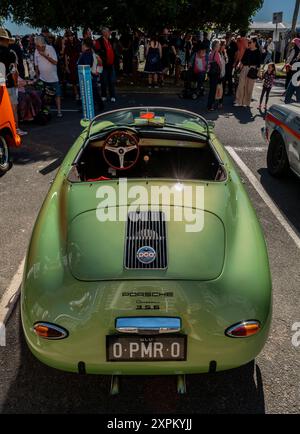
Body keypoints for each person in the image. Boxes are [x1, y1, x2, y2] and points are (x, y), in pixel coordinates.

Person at [0, 28, 27, 135]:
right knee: (13, 108)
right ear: (4, 40)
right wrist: (16, 83)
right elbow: (14, 71)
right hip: (9, 85)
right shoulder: (11, 53)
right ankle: (15, 129)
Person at [34, 36, 62, 118]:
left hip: (53, 77)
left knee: (57, 94)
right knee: (44, 96)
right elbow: (36, 64)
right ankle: (46, 112)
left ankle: (59, 111)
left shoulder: (50, 49)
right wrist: (37, 75)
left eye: (39, 47)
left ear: (43, 45)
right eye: (37, 46)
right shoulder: (36, 51)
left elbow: (55, 62)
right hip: (43, 78)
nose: (38, 48)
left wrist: (45, 55)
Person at [78, 38, 104, 111]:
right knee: (94, 92)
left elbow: (87, 65)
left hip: (88, 76)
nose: (81, 46)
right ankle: (100, 105)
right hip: (91, 76)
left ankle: (88, 107)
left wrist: (92, 73)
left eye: (82, 44)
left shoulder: (86, 53)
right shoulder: (91, 52)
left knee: (88, 92)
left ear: (84, 45)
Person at [235, 37, 261, 107]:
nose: (249, 43)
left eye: (250, 42)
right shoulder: (247, 50)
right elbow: (243, 60)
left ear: (254, 43)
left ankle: (246, 103)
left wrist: (258, 72)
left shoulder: (258, 51)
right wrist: (239, 66)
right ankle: (238, 101)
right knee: (241, 85)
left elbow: (259, 63)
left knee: (249, 87)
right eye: (248, 42)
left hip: (252, 70)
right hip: (245, 68)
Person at [95, 27, 116, 103]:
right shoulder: (99, 41)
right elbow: (96, 52)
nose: (109, 33)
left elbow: (112, 51)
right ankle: (104, 95)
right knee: (103, 81)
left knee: (112, 81)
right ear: (104, 33)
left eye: (109, 32)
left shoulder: (110, 40)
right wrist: (100, 60)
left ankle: (112, 96)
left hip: (111, 64)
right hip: (104, 65)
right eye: (108, 32)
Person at [64, 30, 81, 100]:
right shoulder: (67, 44)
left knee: (80, 78)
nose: (70, 37)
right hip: (71, 63)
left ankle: (81, 93)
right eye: (69, 36)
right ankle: (76, 94)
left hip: (78, 62)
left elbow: (80, 53)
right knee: (74, 80)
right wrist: (66, 66)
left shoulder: (78, 43)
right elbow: (65, 55)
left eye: (71, 36)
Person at [207, 39, 221, 111]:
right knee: (213, 90)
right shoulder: (217, 54)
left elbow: (208, 63)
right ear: (215, 46)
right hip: (215, 73)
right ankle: (211, 105)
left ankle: (209, 105)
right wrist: (221, 73)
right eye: (218, 45)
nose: (219, 46)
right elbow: (219, 64)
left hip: (211, 73)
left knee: (211, 90)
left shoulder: (210, 53)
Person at [217, 40, 228, 108]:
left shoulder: (224, 53)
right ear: (221, 45)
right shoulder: (217, 53)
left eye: (225, 45)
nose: (224, 46)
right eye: (224, 45)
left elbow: (227, 61)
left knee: (222, 88)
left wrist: (226, 54)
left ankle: (220, 102)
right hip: (218, 74)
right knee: (217, 88)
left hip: (223, 73)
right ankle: (215, 100)